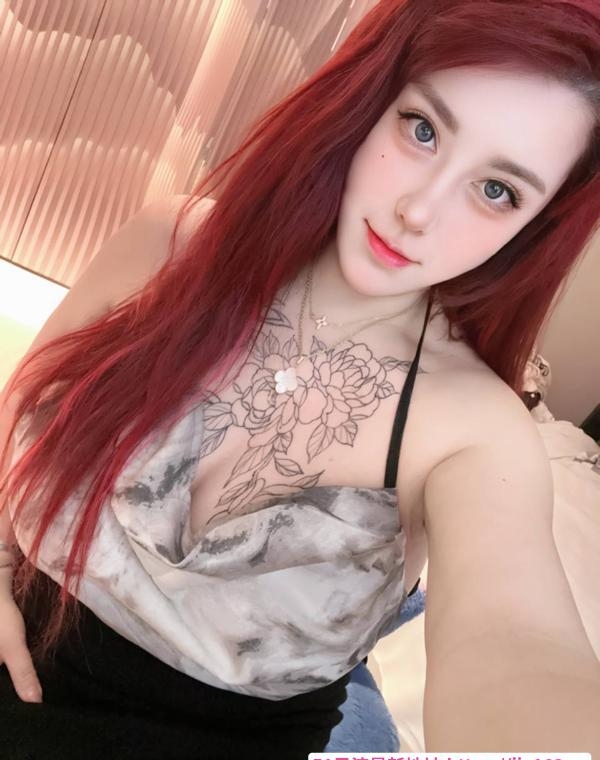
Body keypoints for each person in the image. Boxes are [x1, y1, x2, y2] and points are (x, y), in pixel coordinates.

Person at [1, 0, 599, 756]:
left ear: (534, 226)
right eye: (422, 130)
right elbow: (22, 402)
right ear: (369, 101)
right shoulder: (171, 246)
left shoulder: (476, 432)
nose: (419, 211)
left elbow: (515, 646)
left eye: (497, 190)